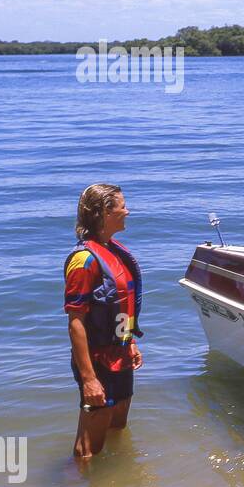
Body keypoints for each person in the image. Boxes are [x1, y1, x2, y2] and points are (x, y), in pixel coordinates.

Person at [64, 184, 143, 460]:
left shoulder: (114, 250)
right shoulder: (84, 260)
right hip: (97, 361)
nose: (127, 210)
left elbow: (121, 305)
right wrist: (89, 379)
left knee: (117, 424)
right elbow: (75, 322)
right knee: (89, 447)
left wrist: (129, 341)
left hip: (120, 354)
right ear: (103, 213)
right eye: (121, 205)